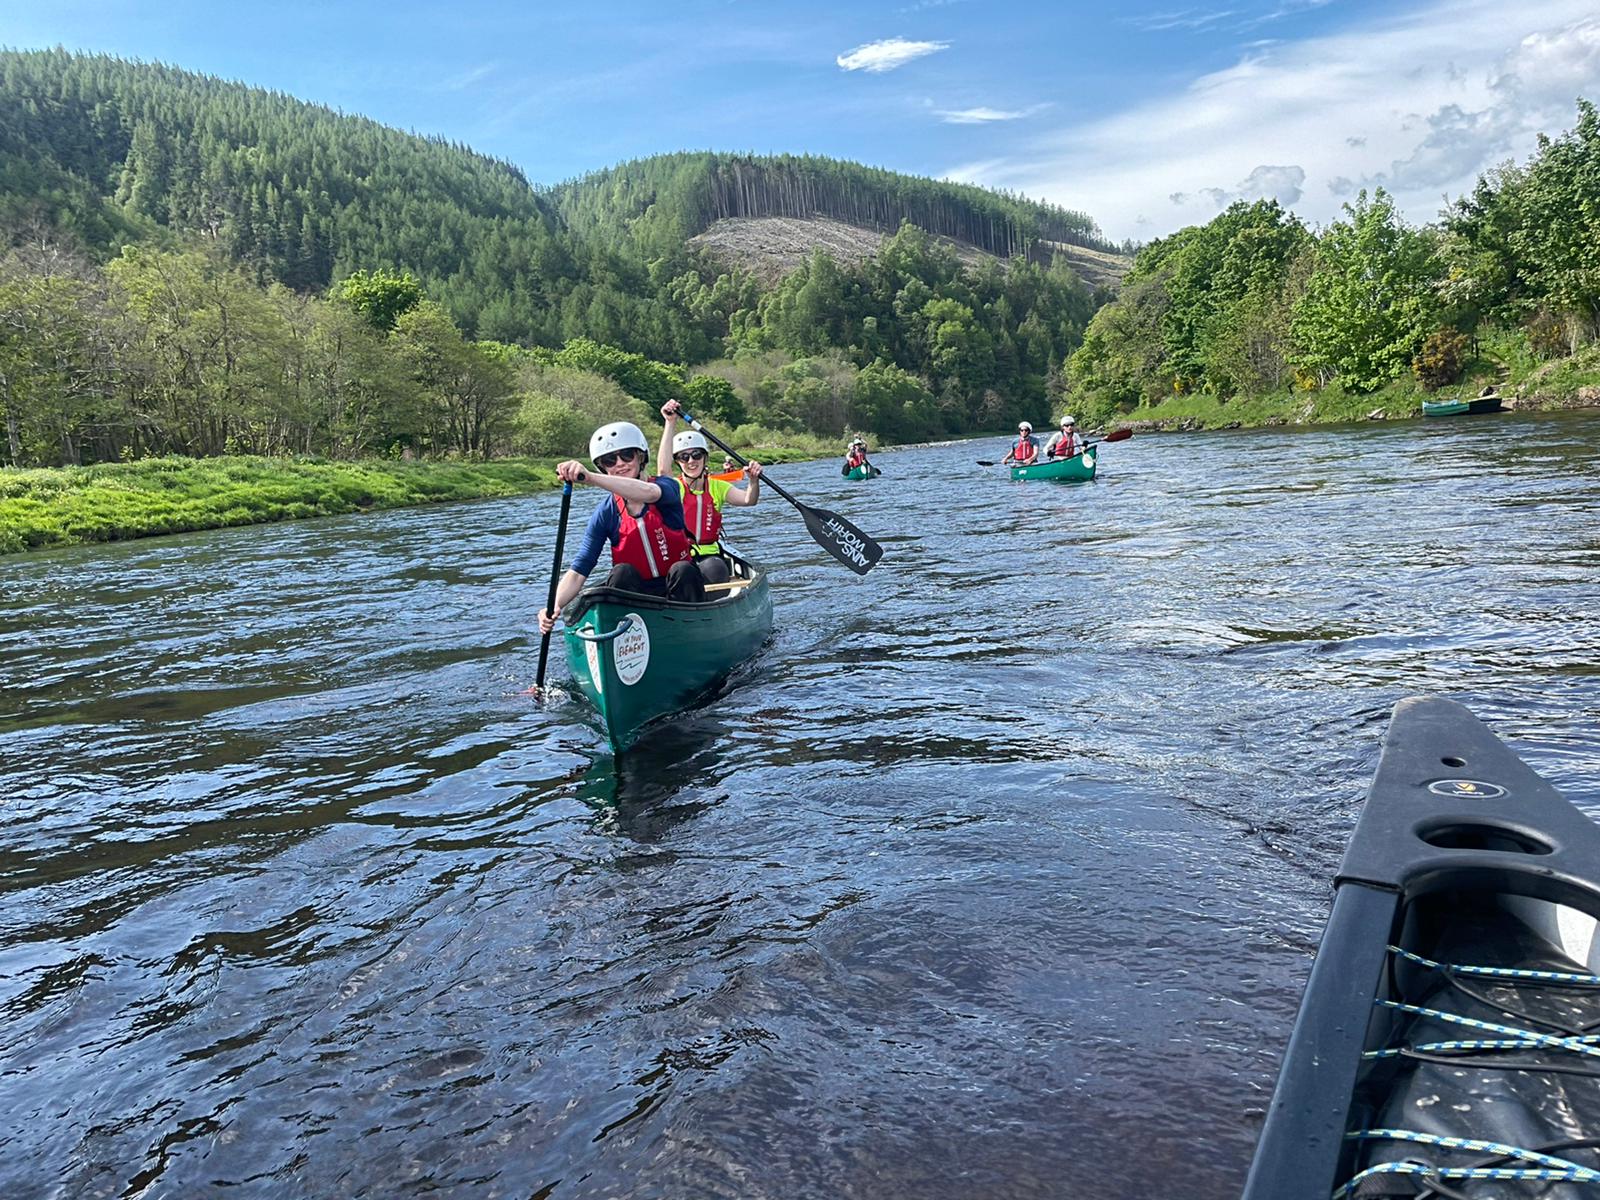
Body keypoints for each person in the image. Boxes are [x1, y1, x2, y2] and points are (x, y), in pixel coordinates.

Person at [536, 421, 706, 636]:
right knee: (620, 572)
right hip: (639, 597)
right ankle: (626, 637)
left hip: (682, 590)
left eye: (627, 455)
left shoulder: (667, 486)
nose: (619, 464)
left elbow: (649, 493)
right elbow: (579, 570)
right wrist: (553, 606)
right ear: (603, 467)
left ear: (640, 456)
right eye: (609, 460)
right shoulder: (606, 513)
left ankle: (692, 631)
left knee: (683, 569)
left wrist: (590, 478)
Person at [656, 400, 763, 586]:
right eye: (684, 457)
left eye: (696, 455)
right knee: (681, 572)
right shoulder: (676, 487)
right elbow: (663, 472)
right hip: (679, 555)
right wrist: (670, 422)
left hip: (709, 556)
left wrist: (753, 481)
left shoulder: (717, 487)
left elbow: (748, 500)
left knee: (715, 569)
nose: (691, 461)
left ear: (705, 458)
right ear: (678, 461)